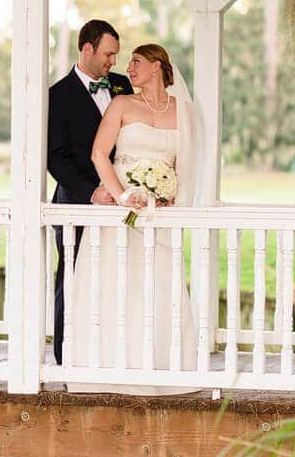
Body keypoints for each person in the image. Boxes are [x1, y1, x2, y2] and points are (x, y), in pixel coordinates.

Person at [64, 44, 201, 394]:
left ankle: (159, 369)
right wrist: (122, 195)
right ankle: (105, 368)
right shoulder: (122, 104)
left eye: (136, 62)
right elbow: (99, 154)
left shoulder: (184, 112)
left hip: (158, 216)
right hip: (119, 213)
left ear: (156, 67)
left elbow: (184, 166)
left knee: (154, 289)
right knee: (113, 286)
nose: (129, 68)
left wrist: (171, 196)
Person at [47, 19, 133, 364]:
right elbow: (56, 156)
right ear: (87, 49)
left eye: (116, 55)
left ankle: (113, 351)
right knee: (72, 276)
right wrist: (91, 191)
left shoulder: (123, 86)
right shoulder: (57, 95)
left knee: (118, 277)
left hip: (124, 199)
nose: (113, 62)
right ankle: (65, 355)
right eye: (108, 54)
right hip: (77, 200)